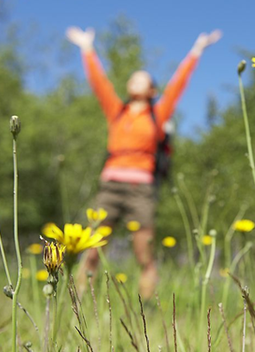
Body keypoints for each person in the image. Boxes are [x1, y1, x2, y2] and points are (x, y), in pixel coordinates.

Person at [66, 26, 221, 299]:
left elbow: (178, 85)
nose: (135, 81)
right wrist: (86, 48)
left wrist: (196, 51)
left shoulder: (158, 114)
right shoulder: (117, 112)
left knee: (143, 253)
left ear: (152, 90)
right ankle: (77, 303)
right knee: (91, 248)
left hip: (141, 189)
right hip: (110, 186)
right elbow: (99, 83)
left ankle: (147, 306)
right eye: (132, 78)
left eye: (142, 79)